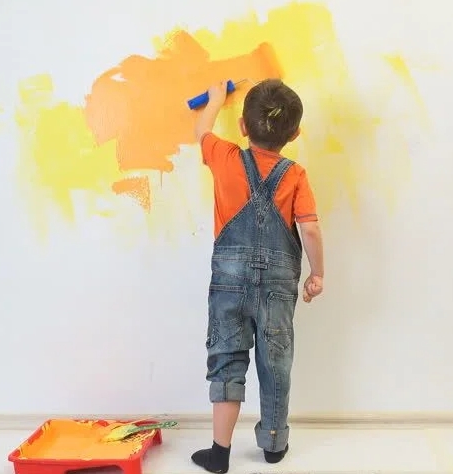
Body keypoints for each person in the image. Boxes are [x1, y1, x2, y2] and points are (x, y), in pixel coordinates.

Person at [190, 78, 325, 473]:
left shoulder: (224, 156)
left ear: (243, 127)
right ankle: (273, 445)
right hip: (277, 290)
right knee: (275, 362)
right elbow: (310, 229)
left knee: (227, 358)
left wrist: (215, 100)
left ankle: (219, 452)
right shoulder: (295, 175)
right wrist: (317, 273)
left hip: (229, 284)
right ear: (294, 134)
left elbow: (201, 131)